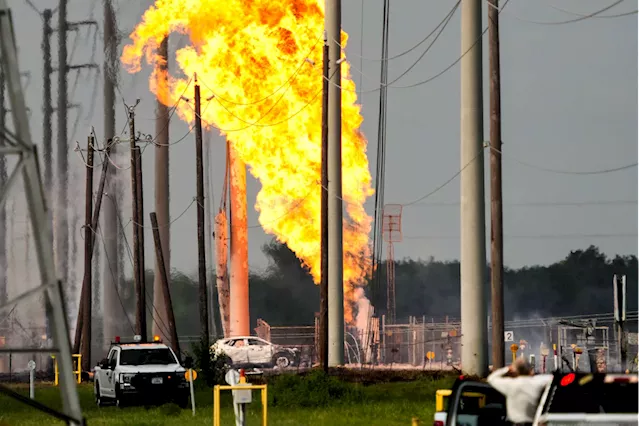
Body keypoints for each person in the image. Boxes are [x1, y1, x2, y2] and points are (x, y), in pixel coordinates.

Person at [487, 358, 552, 426]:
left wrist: (507, 369)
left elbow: (491, 378)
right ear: (530, 370)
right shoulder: (538, 382)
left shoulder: (509, 384)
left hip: (515, 423)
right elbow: (552, 378)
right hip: (533, 423)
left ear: (515, 371)